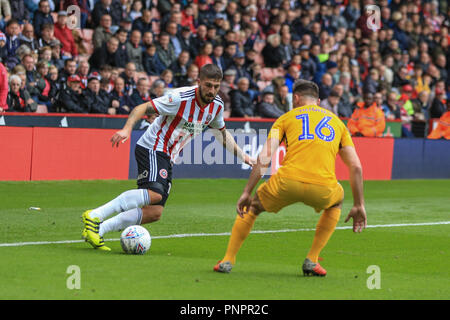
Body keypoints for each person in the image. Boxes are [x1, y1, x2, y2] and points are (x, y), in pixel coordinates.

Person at [81, 64, 255, 251]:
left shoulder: (217, 106)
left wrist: (243, 155)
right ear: (198, 83)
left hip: (168, 155)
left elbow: (221, 133)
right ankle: (95, 215)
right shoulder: (180, 98)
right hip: (153, 146)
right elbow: (142, 108)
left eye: (216, 86)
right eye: (208, 85)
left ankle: (98, 230)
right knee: (154, 193)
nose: (212, 90)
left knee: (155, 212)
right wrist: (126, 129)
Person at [214, 80, 367, 276]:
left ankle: (228, 259)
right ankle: (312, 259)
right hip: (322, 188)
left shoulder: (286, 118)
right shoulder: (338, 123)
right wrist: (359, 204)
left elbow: (265, 158)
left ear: (295, 98)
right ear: (318, 101)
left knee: (253, 207)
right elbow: (355, 166)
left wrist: (247, 192)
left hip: (288, 182)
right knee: (337, 201)